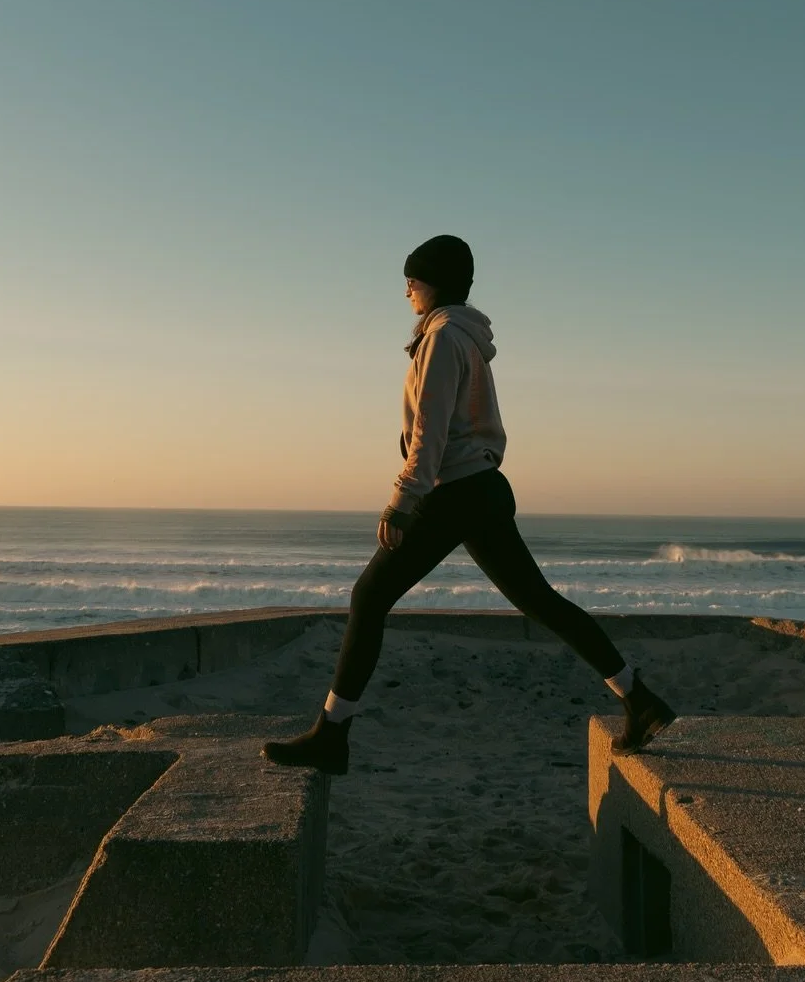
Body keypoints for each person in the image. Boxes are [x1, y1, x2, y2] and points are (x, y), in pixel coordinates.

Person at [262, 234, 674, 776]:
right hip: (480, 489)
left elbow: (432, 431)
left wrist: (401, 502)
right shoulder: (463, 337)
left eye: (413, 278)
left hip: (453, 492)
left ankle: (332, 735)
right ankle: (637, 698)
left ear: (434, 282)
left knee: (369, 596)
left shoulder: (443, 339)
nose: (406, 289)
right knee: (540, 601)